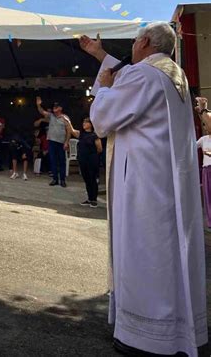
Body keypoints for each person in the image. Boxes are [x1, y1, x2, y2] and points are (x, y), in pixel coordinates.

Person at [80, 23, 207, 356]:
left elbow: (105, 117)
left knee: (144, 251)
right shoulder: (169, 74)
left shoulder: (146, 77)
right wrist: (98, 54)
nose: (132, 48)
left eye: (135, 41)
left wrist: (102, 90)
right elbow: (126, 78)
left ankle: (146, 336)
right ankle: (173, 331)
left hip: (144, 185)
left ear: (145, 42)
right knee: (165, 252)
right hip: (165, 182)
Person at [67, 117, 103, 208]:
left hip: (91, 159)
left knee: (92, 179)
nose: (84, 124)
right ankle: (89, 198)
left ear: (90, 124)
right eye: (83, 122)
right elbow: (72, 130)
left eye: (86, 122)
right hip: (82, 160)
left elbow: (99, 149)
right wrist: (68, 121)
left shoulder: (94, 135)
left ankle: (94, 199)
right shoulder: (81, 134)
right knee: (86, 179)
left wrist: (92, 155)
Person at [36, 98, 70, 187]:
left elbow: (69, 130)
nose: (54, 108)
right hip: (52, 141)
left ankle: (62, 180)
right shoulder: (51, 116)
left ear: (60, 108)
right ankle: (55, 179)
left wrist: (66, 142)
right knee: (53, 160)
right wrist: (38, 104)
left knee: (62, 161)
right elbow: (42, 112)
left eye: (57, 106)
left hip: (61, 142)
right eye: (54, 106)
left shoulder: (65, 117)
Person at [197, 128, 211, 229]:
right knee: (208, 195)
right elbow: (191, 146)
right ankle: (210, 221)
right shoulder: (203, 139)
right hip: (206, 170)